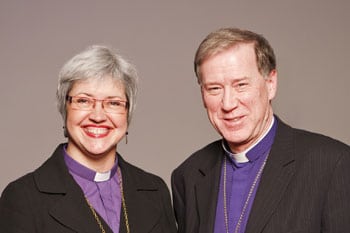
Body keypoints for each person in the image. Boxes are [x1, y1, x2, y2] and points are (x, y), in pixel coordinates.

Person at [171, 27, 350, 233]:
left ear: (271, 83)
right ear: (202, 94)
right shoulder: (188, 176)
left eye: (241, 85)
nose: (228, 104)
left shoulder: (332, 164)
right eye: (214, 88)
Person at [0, 45, 177, 233]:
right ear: (64, 107)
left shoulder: (155, 191)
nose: (98, 116)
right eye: (84, 100)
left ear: (127, 113)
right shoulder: (23, 198)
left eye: (113, 103)